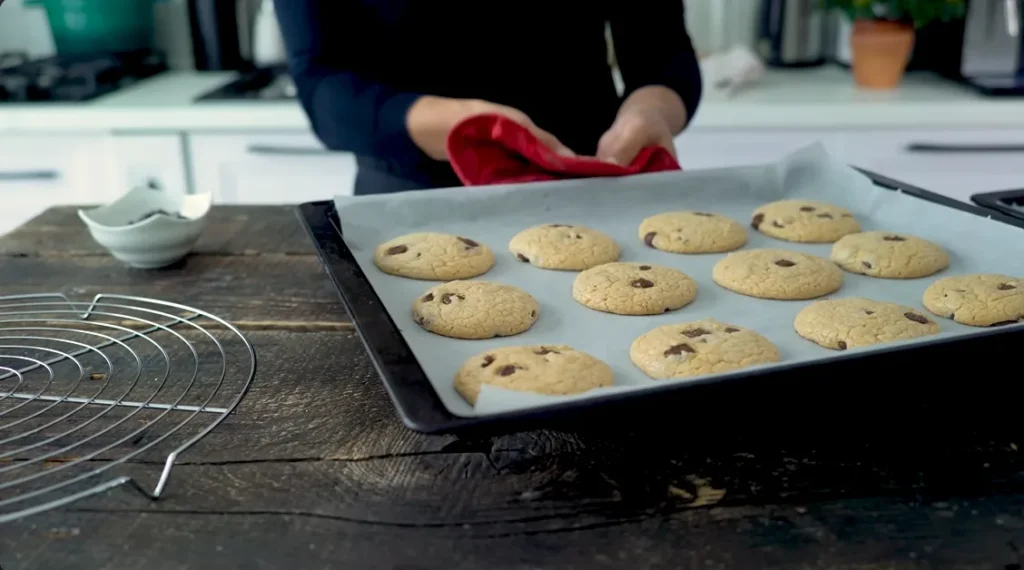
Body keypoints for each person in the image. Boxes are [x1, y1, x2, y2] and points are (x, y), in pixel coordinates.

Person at [274, 0, 703, 195]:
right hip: (413, 199)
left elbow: (663, 50)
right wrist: (467, 125)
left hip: (593, 180)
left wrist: (651, 109)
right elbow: (323, 84)